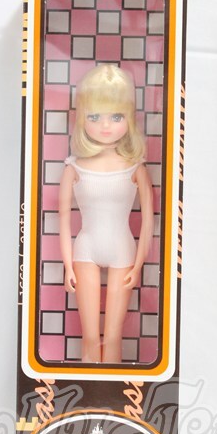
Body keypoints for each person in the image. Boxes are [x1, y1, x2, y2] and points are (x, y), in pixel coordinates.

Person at [59, 64, 154, 363]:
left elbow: (149, 221)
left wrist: (138, 265)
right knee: (89, 335)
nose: (105, 126)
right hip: (85, 249)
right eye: (94, 117)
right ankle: (88, 386)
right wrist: (68, 266)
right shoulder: (74, 167)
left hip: (122, 250)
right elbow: (63, 221)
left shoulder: (135, 167)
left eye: (116, 117)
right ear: (81, 118)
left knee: (113, 336)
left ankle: (113, 387)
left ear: (129, 118)